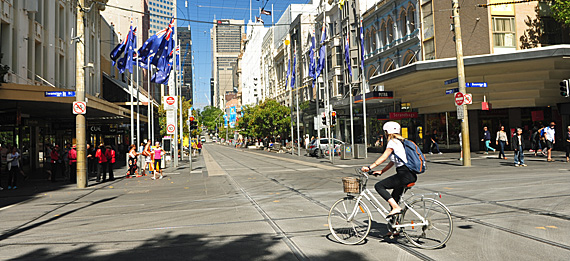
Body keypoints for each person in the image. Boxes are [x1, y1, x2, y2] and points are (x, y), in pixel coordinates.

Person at [361, 121, 417, 218]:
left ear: (388, 132)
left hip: (404, 175)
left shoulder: (392, 142)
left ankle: (396, 207)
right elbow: (393, 161)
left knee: (379, 186)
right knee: (394, 198)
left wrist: (369, 167)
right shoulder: (401, 142)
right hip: (409, 174)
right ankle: (394, 228)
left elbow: (384, 157)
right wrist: (382, 171)